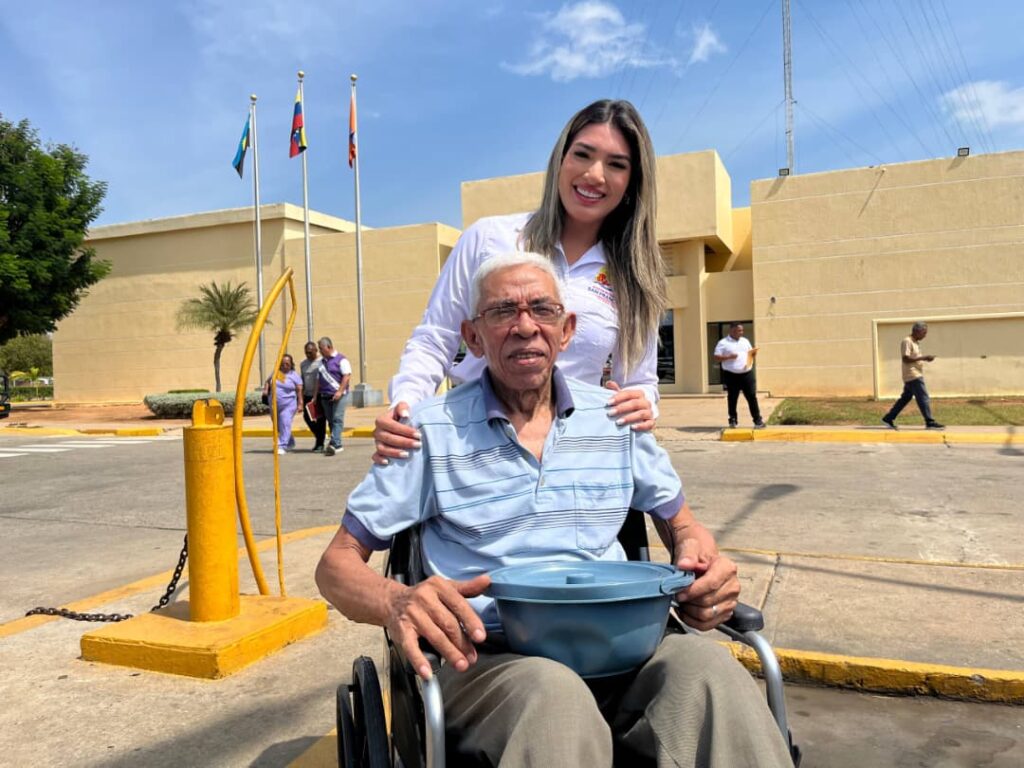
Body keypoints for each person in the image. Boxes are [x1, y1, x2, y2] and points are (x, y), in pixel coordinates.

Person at [316, 255, 792, 767]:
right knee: (555, 698)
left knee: (713, 675)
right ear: (473, 338)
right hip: (490, 658)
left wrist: (700, 560)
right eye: (503, 311)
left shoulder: (615, 417)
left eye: (542, 309)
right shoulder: (427, 433)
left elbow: (684, 526)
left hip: (626, 647)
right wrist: (396, 602)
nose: (525, 326)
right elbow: (335, 565)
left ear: (566, 331)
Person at [372, 99, 667, 465]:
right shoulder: (489, 238)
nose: (595, 174)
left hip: (575, 458)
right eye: (582, 154)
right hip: (472, 450)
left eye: (616, 164)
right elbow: (434, 339)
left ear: (632, 182)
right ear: (560, 159)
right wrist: (406, 404)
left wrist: (643, 402)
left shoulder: (634, 275)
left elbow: (640, 381)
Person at [882, 322, 944, 430]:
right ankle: (929, 422)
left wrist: (924, 359)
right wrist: (924, 358)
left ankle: (888, 418)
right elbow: (905, 359)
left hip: (914, 374)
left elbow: (913, 357)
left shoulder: (915, 342)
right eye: (924, 333)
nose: (925, 335)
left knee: (905, 398)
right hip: (913, 374)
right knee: (923, 397)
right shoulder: (907, 341)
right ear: (916, 331)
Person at [713, 322, 764, 429]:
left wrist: (753, 354)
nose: (742, 332)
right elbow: (716, 358)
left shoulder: (745, 341)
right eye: (739, 330)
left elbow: (750, 354)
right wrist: (728, 357)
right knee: (732, 398)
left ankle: (758, 421)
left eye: (742, 330)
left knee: (752, 397)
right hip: (731, 375)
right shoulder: (723, 343)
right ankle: (733, 420)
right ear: (732, 330)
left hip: (747, 374)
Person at [314, 337, 352, 456]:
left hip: (338, 395)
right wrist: (315, 396)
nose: (320, 351)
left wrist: (340, 391)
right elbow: (318, 380)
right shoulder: (321, 362)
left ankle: (336, 444)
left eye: (321, 348)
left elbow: (346, 376)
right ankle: (334, 441)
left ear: (329, 347)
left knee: (337, 418)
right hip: (325, 395)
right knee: (331, 420)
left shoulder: (342, 360)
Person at [262, 354, 303, 455]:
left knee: (285, 422)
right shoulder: (276, 372)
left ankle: (281, 445)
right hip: (274, 405)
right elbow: (268, 381)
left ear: (291, 364)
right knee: (279, 426)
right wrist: (266, 390)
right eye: (283, 364)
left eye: (287, 364)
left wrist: (300, 403)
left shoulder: (294, 375)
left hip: (288, 405)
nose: (285, 366)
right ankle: (290, 442)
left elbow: (299, 390)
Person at [299, 341, 327, 452]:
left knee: (320, 420)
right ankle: (320, 437)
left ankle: (320, 443)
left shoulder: (322, 362)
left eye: (310, 352)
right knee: (307, 418)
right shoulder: (303, 364)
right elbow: (302, 379)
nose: (308, 355)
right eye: (306, 352)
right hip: (307, 395)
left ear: (316, 350)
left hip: (319, 395)